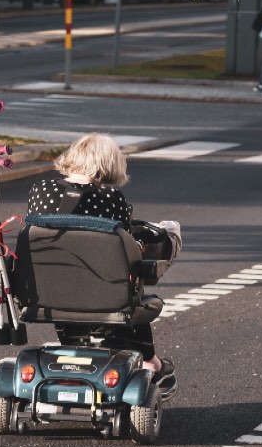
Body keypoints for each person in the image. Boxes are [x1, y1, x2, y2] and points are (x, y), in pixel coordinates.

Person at [26, 133, 179, 380]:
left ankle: (74, 346)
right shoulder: (111, 198)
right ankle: (149, 361)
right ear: (109, 165)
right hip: (103, 293)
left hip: (49, 290)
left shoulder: (40, 190)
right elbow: (124, 247)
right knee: (134, 289)